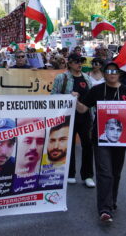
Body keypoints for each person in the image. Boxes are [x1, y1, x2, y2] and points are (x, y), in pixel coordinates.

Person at [80, 61, 126, 223]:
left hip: (121, 139)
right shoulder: (97, 90)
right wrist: (74, 99)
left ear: (119, 74)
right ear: (104, 74)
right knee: (105, 172)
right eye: (109, 71)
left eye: (115, 71)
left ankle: (111, 201)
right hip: (100, 139)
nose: (112, 74)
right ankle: (105, 209)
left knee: (115, 173)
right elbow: (83, 108)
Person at [51, 52, 95, 187]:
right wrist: (68, 96)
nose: (79, 64)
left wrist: (93, 116)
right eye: (76, 61)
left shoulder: (87, 78)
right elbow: (53, 96)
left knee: (87, 145)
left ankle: (87, 175)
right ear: (69, 63)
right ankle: (70, 173)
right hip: (68, 117)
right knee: (68, 145)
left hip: (85, 117)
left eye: (81, 61)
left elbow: (91, 99)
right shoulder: (61, 78)